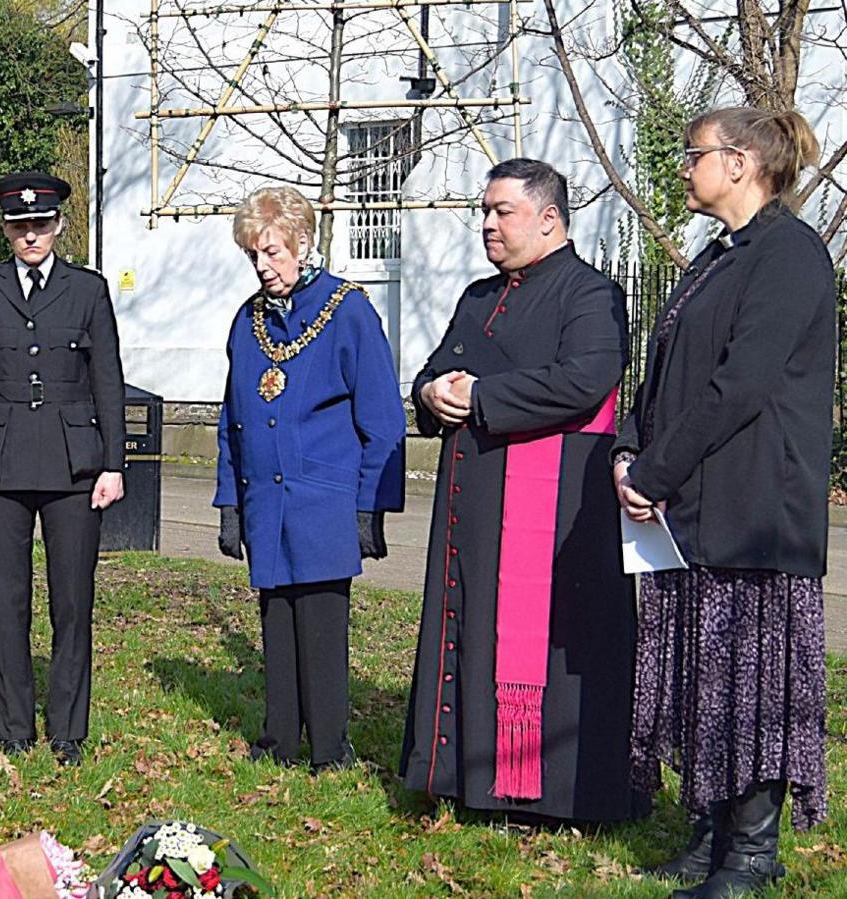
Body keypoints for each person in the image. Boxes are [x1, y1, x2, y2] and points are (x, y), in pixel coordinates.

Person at [616, 108, 832, 899]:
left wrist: (656, 472)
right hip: (695, 506)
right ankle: (710, 834)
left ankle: (751, 854)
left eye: (694, 154)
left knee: (751, 683)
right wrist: (629, 451)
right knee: (702, 679)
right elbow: (665, 364)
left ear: (740, 163)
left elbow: (739, 384)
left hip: (756, 510)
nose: (684, 167)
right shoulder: (719, 256)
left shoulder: (789, 257)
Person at [398, 158, 646, 823]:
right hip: (471, 507)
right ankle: (460, 777)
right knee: (469, 634)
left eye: (501, 211)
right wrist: (427, 392)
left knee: (541, 651)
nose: (487, 224)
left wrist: (479, 396)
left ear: (548, 218)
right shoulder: (479, 296)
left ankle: (546, 792)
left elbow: (585, 378)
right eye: (484, 211)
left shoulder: (590, 294)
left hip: (556, 513)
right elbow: (434, 369)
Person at [213, 186, 405, 772]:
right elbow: (232, 416)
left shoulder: (348, 311)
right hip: (266, 497)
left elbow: (381, 417)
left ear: (302, 241)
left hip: (325, 497)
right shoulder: (248, 321)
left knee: (320, 625)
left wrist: (370, 507)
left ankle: (329, 748)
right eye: (253, 255)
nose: (262, 266)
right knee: (277, 619)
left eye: (272, 252)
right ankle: (280, 741)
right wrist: (230, 502)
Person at [0, 172, 126, 767]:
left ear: (58, 226)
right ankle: (14, 726)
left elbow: (107, 380)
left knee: (72, 602)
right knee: (8, 599)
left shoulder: (88, 290)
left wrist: (114, 463)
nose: (31, 235)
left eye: (41, 225)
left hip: (76, 466)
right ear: (5, 229)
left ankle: (68, 730)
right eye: (19, 226)